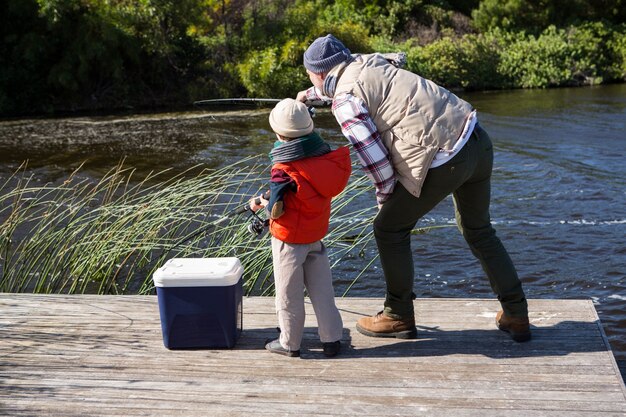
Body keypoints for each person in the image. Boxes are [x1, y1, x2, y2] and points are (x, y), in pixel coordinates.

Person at [296, 34, 531, 342]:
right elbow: (363, 79)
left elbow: (375, 160)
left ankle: (398, 316)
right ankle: (516, 313)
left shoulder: (345, 102)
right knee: (479, 230)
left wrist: (386, 196)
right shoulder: (371, 61)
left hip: (445, 159)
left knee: (388, 228)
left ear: (318, 73)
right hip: (476, 140)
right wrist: (312, 95)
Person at [249, 98, 352, 357]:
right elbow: (302, 192)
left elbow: (276, 209)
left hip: (289, 241)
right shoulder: (324, 160)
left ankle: (289, 343)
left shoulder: (282, 169)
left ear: (278, 134)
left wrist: (260, 202)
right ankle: (332, 340)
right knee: (322, 290)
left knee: (288, 294)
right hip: (315, 235)